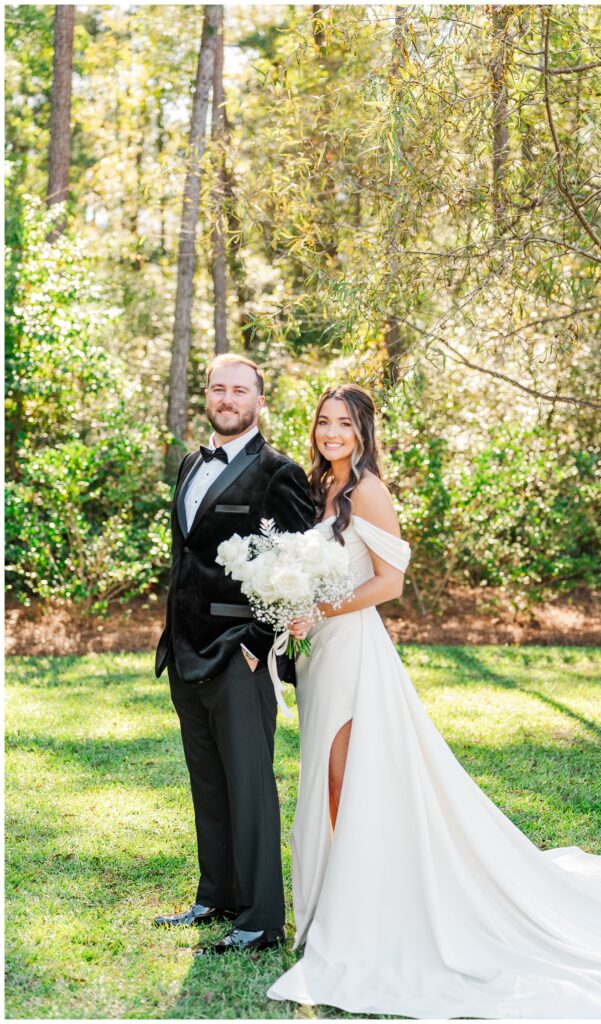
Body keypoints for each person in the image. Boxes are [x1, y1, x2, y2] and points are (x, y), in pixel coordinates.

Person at [267, 383, 601, 1018]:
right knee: (324, 772)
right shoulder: (319, 489)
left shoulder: (368, 491)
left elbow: (391, 583)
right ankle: (334, 900)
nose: (331, 433)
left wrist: (320, 607)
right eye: (324, 422)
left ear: (363, 432)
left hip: (351, 645)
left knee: (344, 770)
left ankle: (359, 908)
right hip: (319, 650)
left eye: (343, 424)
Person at [153, 354, 314, 954]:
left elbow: (300, 571)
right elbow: (186, 557)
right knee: (208, 782)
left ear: (258, 401)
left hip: (238, 654)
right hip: (185, 650)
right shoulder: (192, 463)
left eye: (239, 389)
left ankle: (261, 919)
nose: (227, 397)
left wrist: (258, 646)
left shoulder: (280, 473)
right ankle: (215, 894)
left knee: (249, 784)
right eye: (218, 388)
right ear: (208, 395)